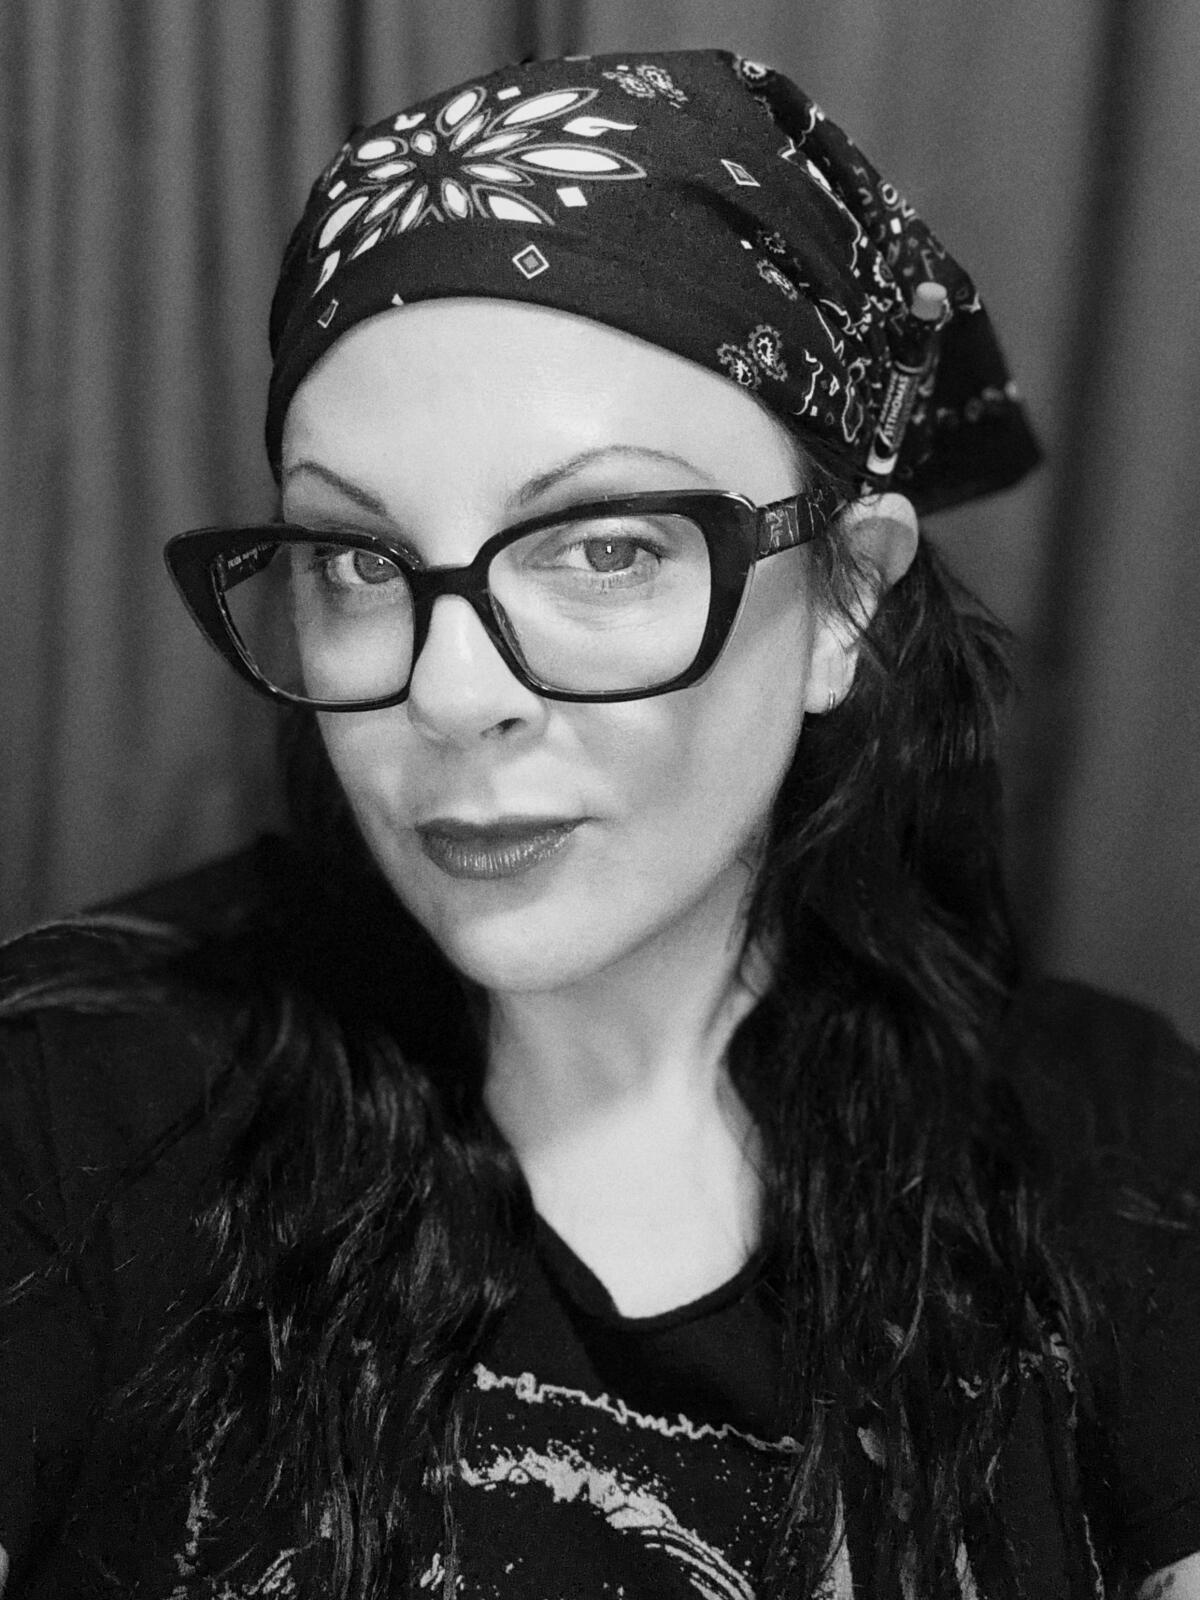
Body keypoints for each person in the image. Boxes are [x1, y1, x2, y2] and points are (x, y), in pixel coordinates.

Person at [1, 46, 1197, 1600]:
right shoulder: (72, 1111)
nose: (449, 692)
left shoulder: (1114, 1152)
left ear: (846, 596)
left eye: (608, 548)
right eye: (355, 560)